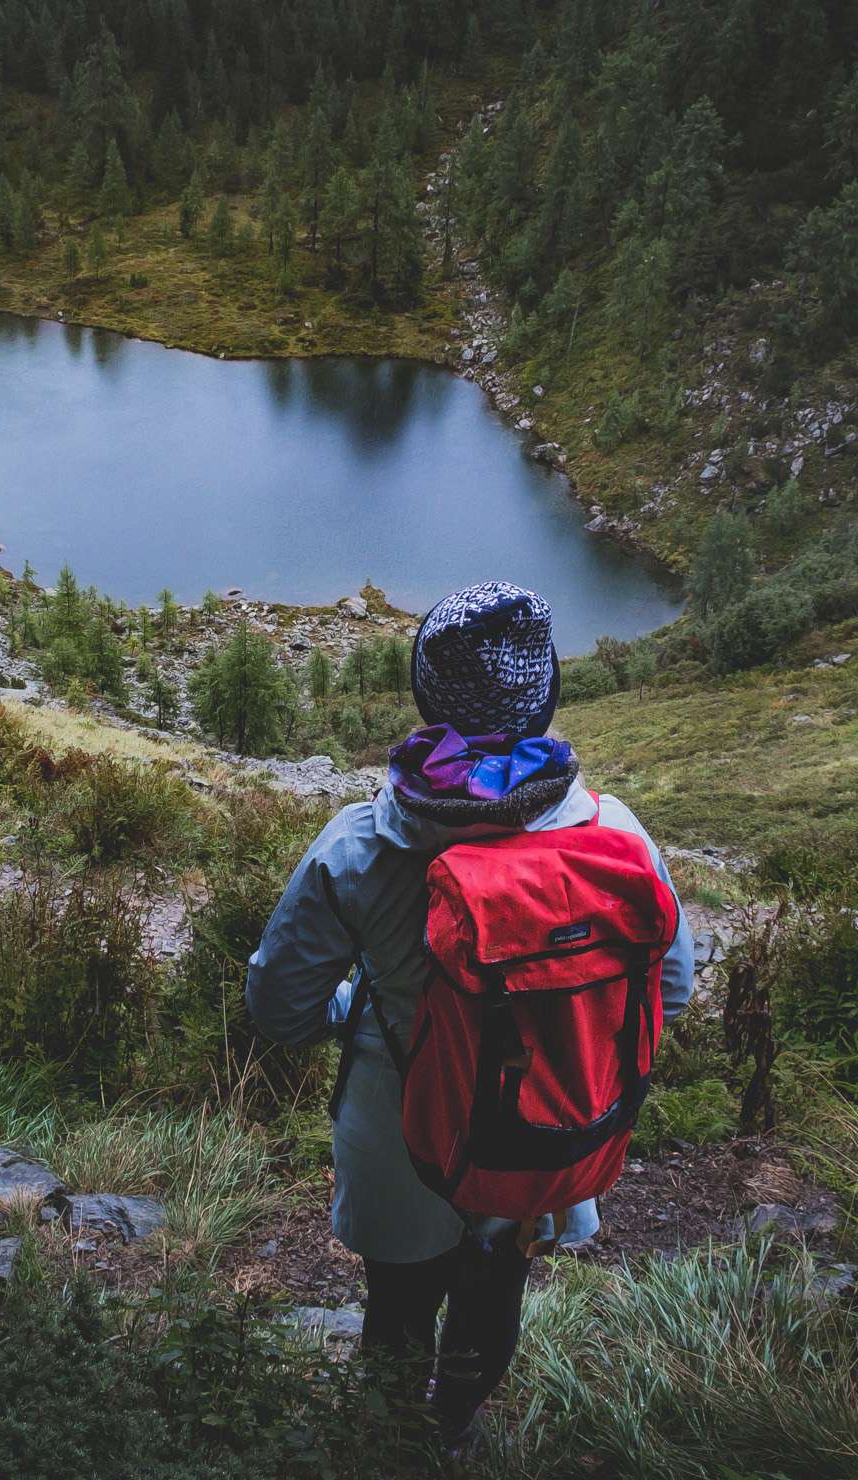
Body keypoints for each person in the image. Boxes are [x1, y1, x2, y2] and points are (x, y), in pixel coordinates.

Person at [245, 582, 698, 1449]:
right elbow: (667, 992)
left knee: (399, 1303)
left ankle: (384, 1445)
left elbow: (280, 1008)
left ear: (425, 698)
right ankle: (455, 1425)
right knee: (496, 1289)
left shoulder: (362, 845)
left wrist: (355, 1011)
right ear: (548, 697)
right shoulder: (617, 840)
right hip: (541, 1130)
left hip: (401, 1135)